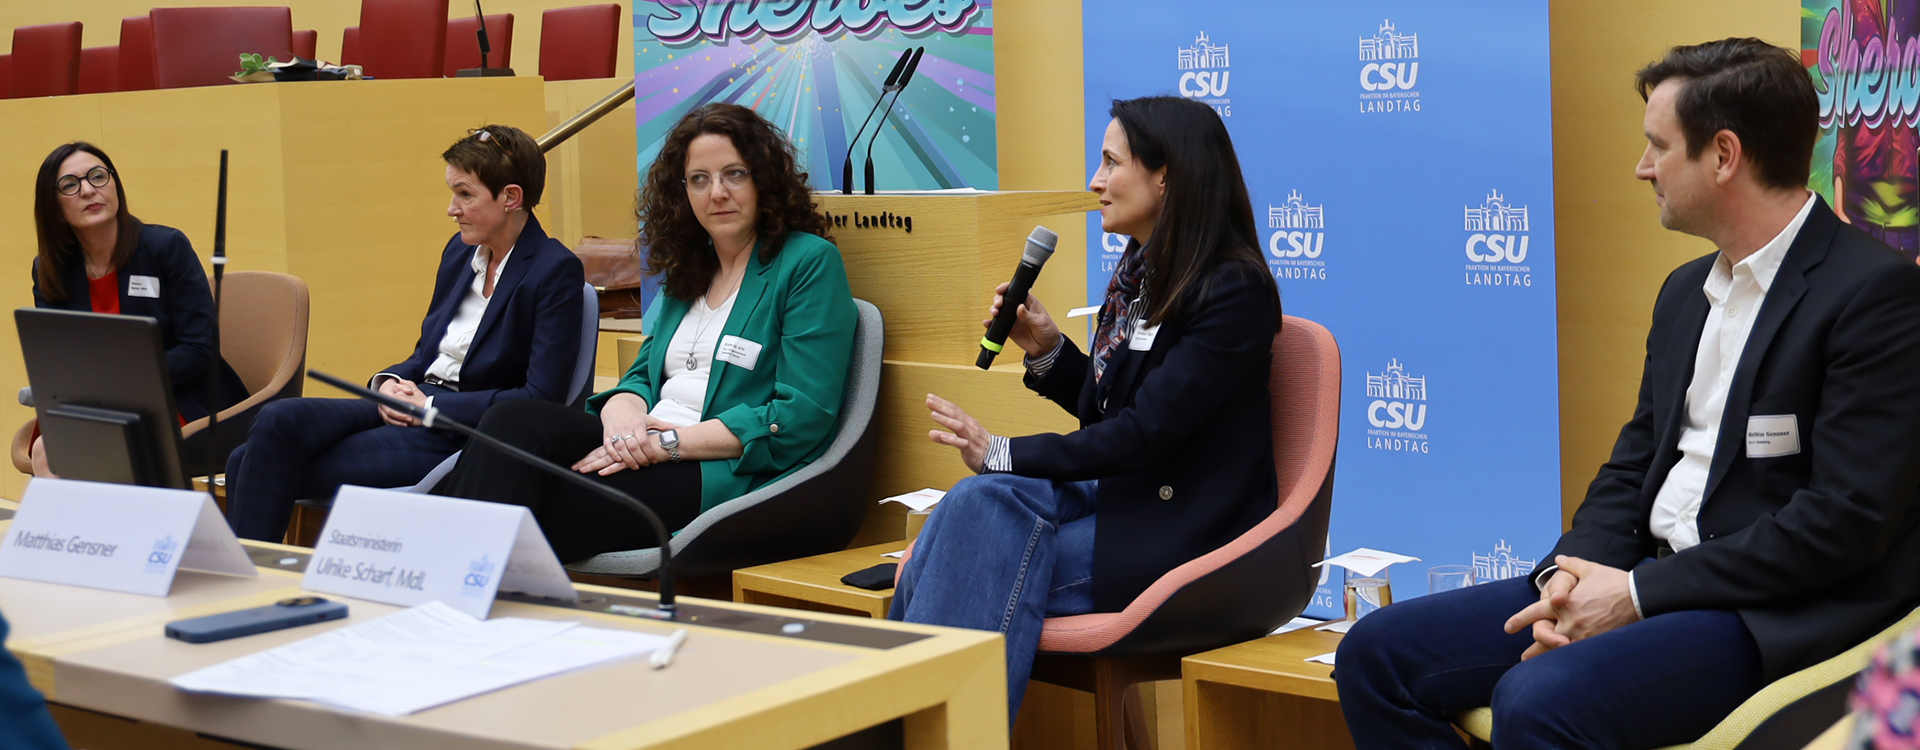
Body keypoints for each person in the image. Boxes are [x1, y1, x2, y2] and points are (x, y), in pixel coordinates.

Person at [1336, 38, 1920, 749]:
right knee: (1375, 655)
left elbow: (1843, 522)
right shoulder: (1684, 294)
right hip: (1648, 576)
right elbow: (1633, 464)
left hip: (1765, 609)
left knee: (1537, 700)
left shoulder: (1875, 295)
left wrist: (1637, 598)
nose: (1641, 167)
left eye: (1657, 145)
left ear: (1724, 155)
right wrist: (1568, 577)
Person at [888, 95, 1283, 720]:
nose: (1094, 182)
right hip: (1121, 492)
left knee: (971, 540)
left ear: (1166, 175)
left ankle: (913, 726)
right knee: (973, 502)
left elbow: (1143, 434)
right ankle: (922, 724)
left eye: (1109, 163)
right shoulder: (1140, 275)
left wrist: (999, 450)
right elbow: (1111, 410)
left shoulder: (1232, 289)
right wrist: (1047, 350)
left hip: (1181, 527)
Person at [435, 103, 856, 563]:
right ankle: (453, 584)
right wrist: (621, 417)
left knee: (537, 502)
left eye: (734, 174)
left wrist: (664, 446)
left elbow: (801, 416)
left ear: (764, 179)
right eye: (699, 179)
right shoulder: (690, 264)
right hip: (641, 441)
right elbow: (641, 377)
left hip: (716, 463)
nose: (717, 193)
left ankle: (446, 587)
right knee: (510, 422)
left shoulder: (806, 262)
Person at [223, 125, 584, 542]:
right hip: (411, 401)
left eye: (465, 194)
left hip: (459, 430)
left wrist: (428, 403)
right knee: (278, 417)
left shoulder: (554, 269)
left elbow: (540, 397)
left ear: (511, 198)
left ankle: (249, 585)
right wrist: (390, 383)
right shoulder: (460, 251)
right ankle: (254, 583)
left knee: (247, 460)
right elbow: (424, 355)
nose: (452, 208)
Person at [28, 142, 247, 477]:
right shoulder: (51, 269)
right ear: (54, 206)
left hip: (178, 399)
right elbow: (59, 362)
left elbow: (200, 348)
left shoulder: (165, 248)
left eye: (98, 177)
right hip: (94, 405)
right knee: (47, 449)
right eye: (71, 185)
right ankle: (79, 532)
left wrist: (121, 381)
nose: (89, 190)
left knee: (99, 448)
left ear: (115, 184)